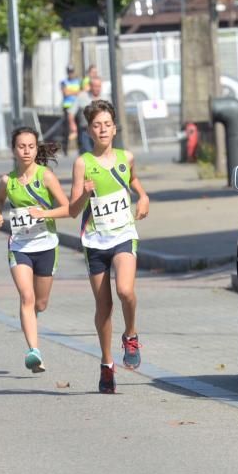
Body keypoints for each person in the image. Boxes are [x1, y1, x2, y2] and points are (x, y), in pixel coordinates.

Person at [68, 99, 150, 393]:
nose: (102, 129)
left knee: (125, 290)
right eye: (96, 125)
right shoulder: (83, 163)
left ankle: (131, 334)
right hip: (95, 239)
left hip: (124, 234)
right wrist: (84, 194)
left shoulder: (126, 157)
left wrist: (143, 197)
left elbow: (134, 181)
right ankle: (106, 364)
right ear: (89, 131)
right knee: (104, 305)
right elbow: (73, 209)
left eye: (107, 124)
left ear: (114, 128)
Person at [0, 127, 69, 373]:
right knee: (27, 297)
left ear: (36, 149)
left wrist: (43, 213)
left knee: (40, 303)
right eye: (21, 146)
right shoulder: (8, 180)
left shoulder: (45, 176)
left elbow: (67, 208)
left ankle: (31, 318)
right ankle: (34, 351)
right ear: (14, 150)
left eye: (31, 146)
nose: (26, 151)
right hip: (19, 246)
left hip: (46, 245)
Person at [74, 76, 104, 154]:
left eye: (99, 86)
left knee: (100, 153)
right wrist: (72, 125)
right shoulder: (82, 96)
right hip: (86, 131)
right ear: (90, 86)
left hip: (100, 131)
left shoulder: (105, 98)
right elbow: (71, 112)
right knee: (87, 154)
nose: (97, 88)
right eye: (95, 86)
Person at [57, 66, 82, 156]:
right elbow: (65, 93)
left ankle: (80, 148)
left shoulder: (78, 81)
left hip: (77, 107)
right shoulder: (64, 82)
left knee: (79, 128)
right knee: (66, 129)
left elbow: (80, 92)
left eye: (71, 72)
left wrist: (70, 91)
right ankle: (65, 149)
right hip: (67, 107)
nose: (70, 73)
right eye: (69, 72)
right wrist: (75, 92)